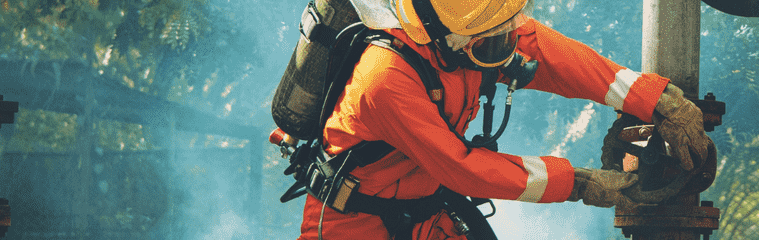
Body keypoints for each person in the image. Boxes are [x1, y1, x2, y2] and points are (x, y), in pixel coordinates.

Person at [300, 0, 713, 239]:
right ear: (450, 38)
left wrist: (658, 101)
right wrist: (579, 183)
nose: (510, 44)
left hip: (430, 215)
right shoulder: (385, 79)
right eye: (495, 38)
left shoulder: (473, 30)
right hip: (354, 228)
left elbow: (554, 56)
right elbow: (463, 168)